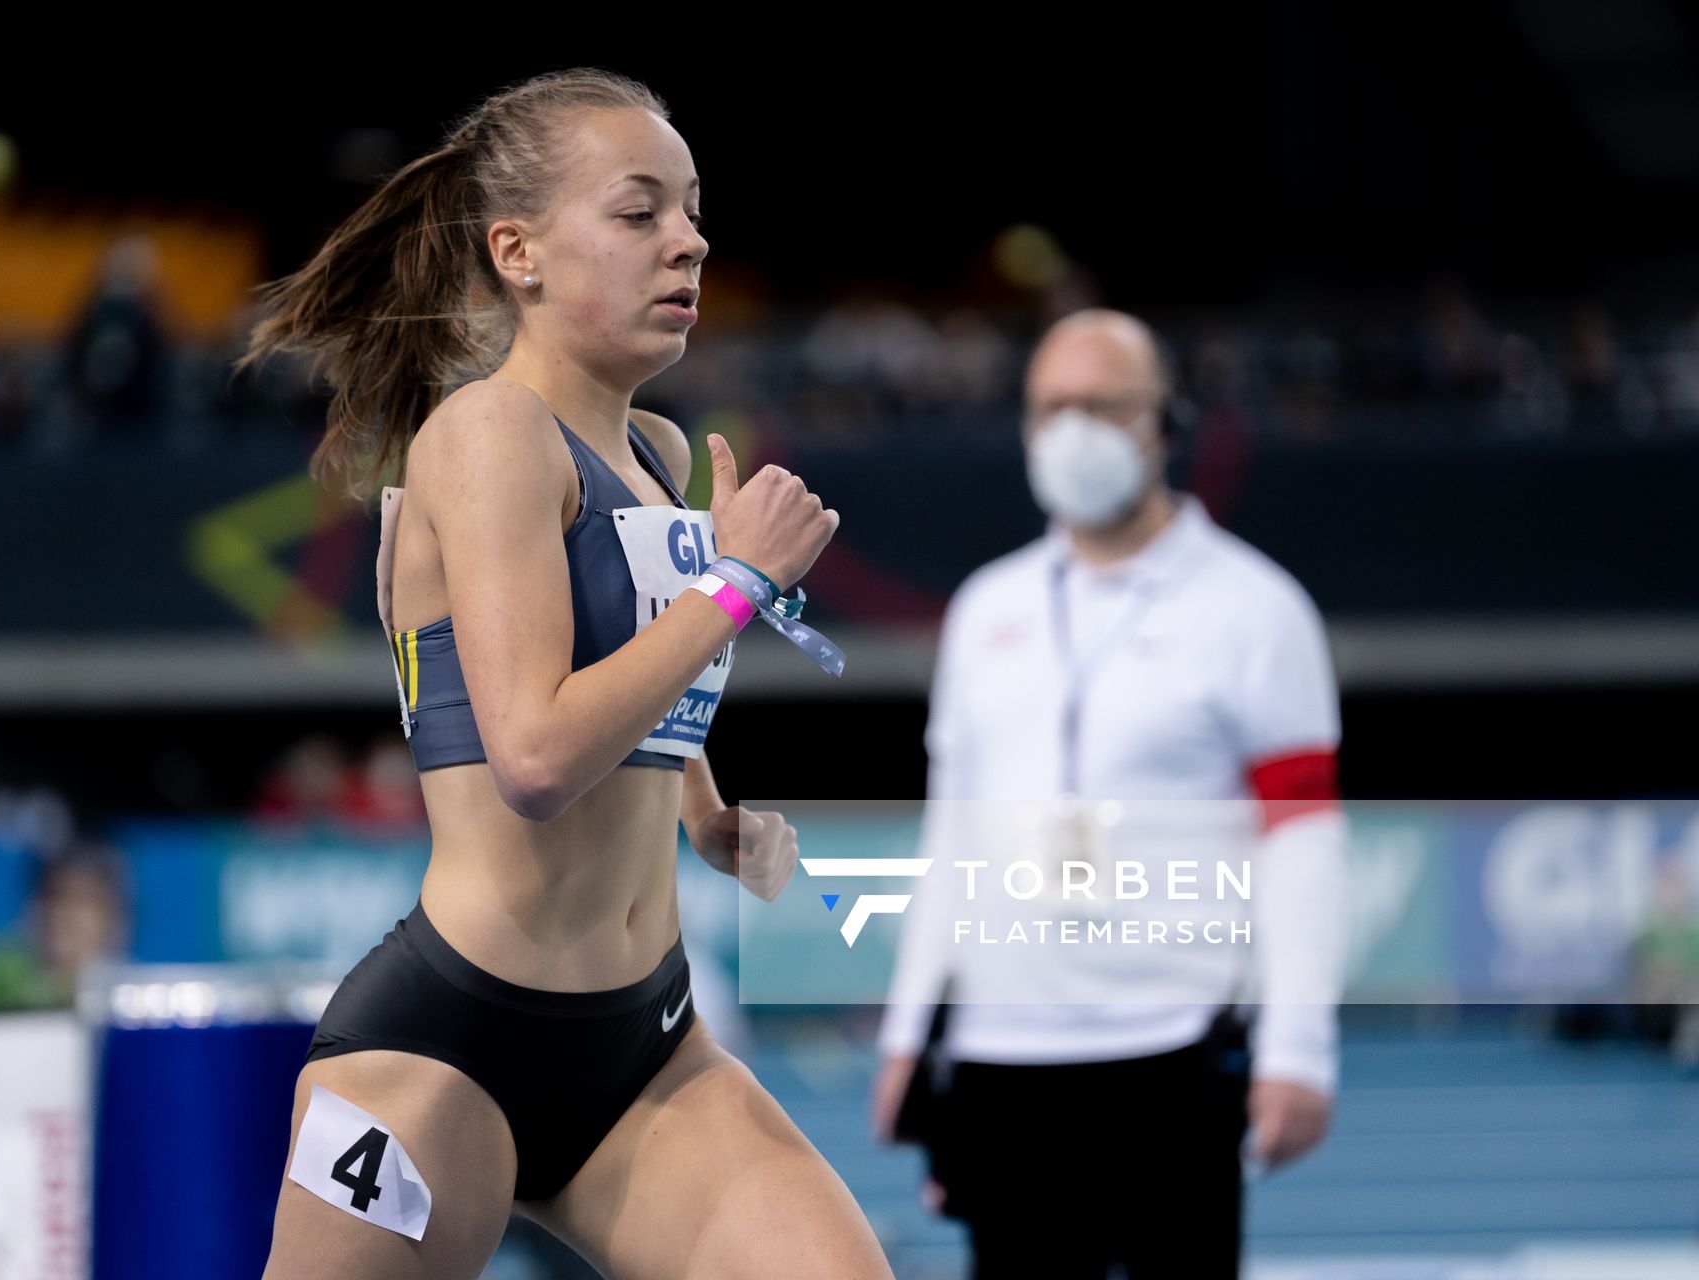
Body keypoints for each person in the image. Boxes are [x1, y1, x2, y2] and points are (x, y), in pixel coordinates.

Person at [237, 69, 891, 1279]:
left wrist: (706, 813)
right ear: (518, 252)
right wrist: (736, 582)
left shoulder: (656, 450)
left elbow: (632, 672)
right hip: (448, 1048)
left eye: (692, 211)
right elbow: (534, 757)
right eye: (639, 212)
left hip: (649, 1047)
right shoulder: (487, 434)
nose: (687, 241)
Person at [870, 309, 1350, 1278]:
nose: (1072, 430)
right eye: (1051, 407)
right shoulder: (986, 608)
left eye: (1102, 405)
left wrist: (1299, 1045)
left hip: (1174, 1045)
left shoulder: (1257, 609)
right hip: (1003, 1053)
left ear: (1165, 423)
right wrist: (908, 1030)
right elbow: (951, 836)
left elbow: (1301, 838)